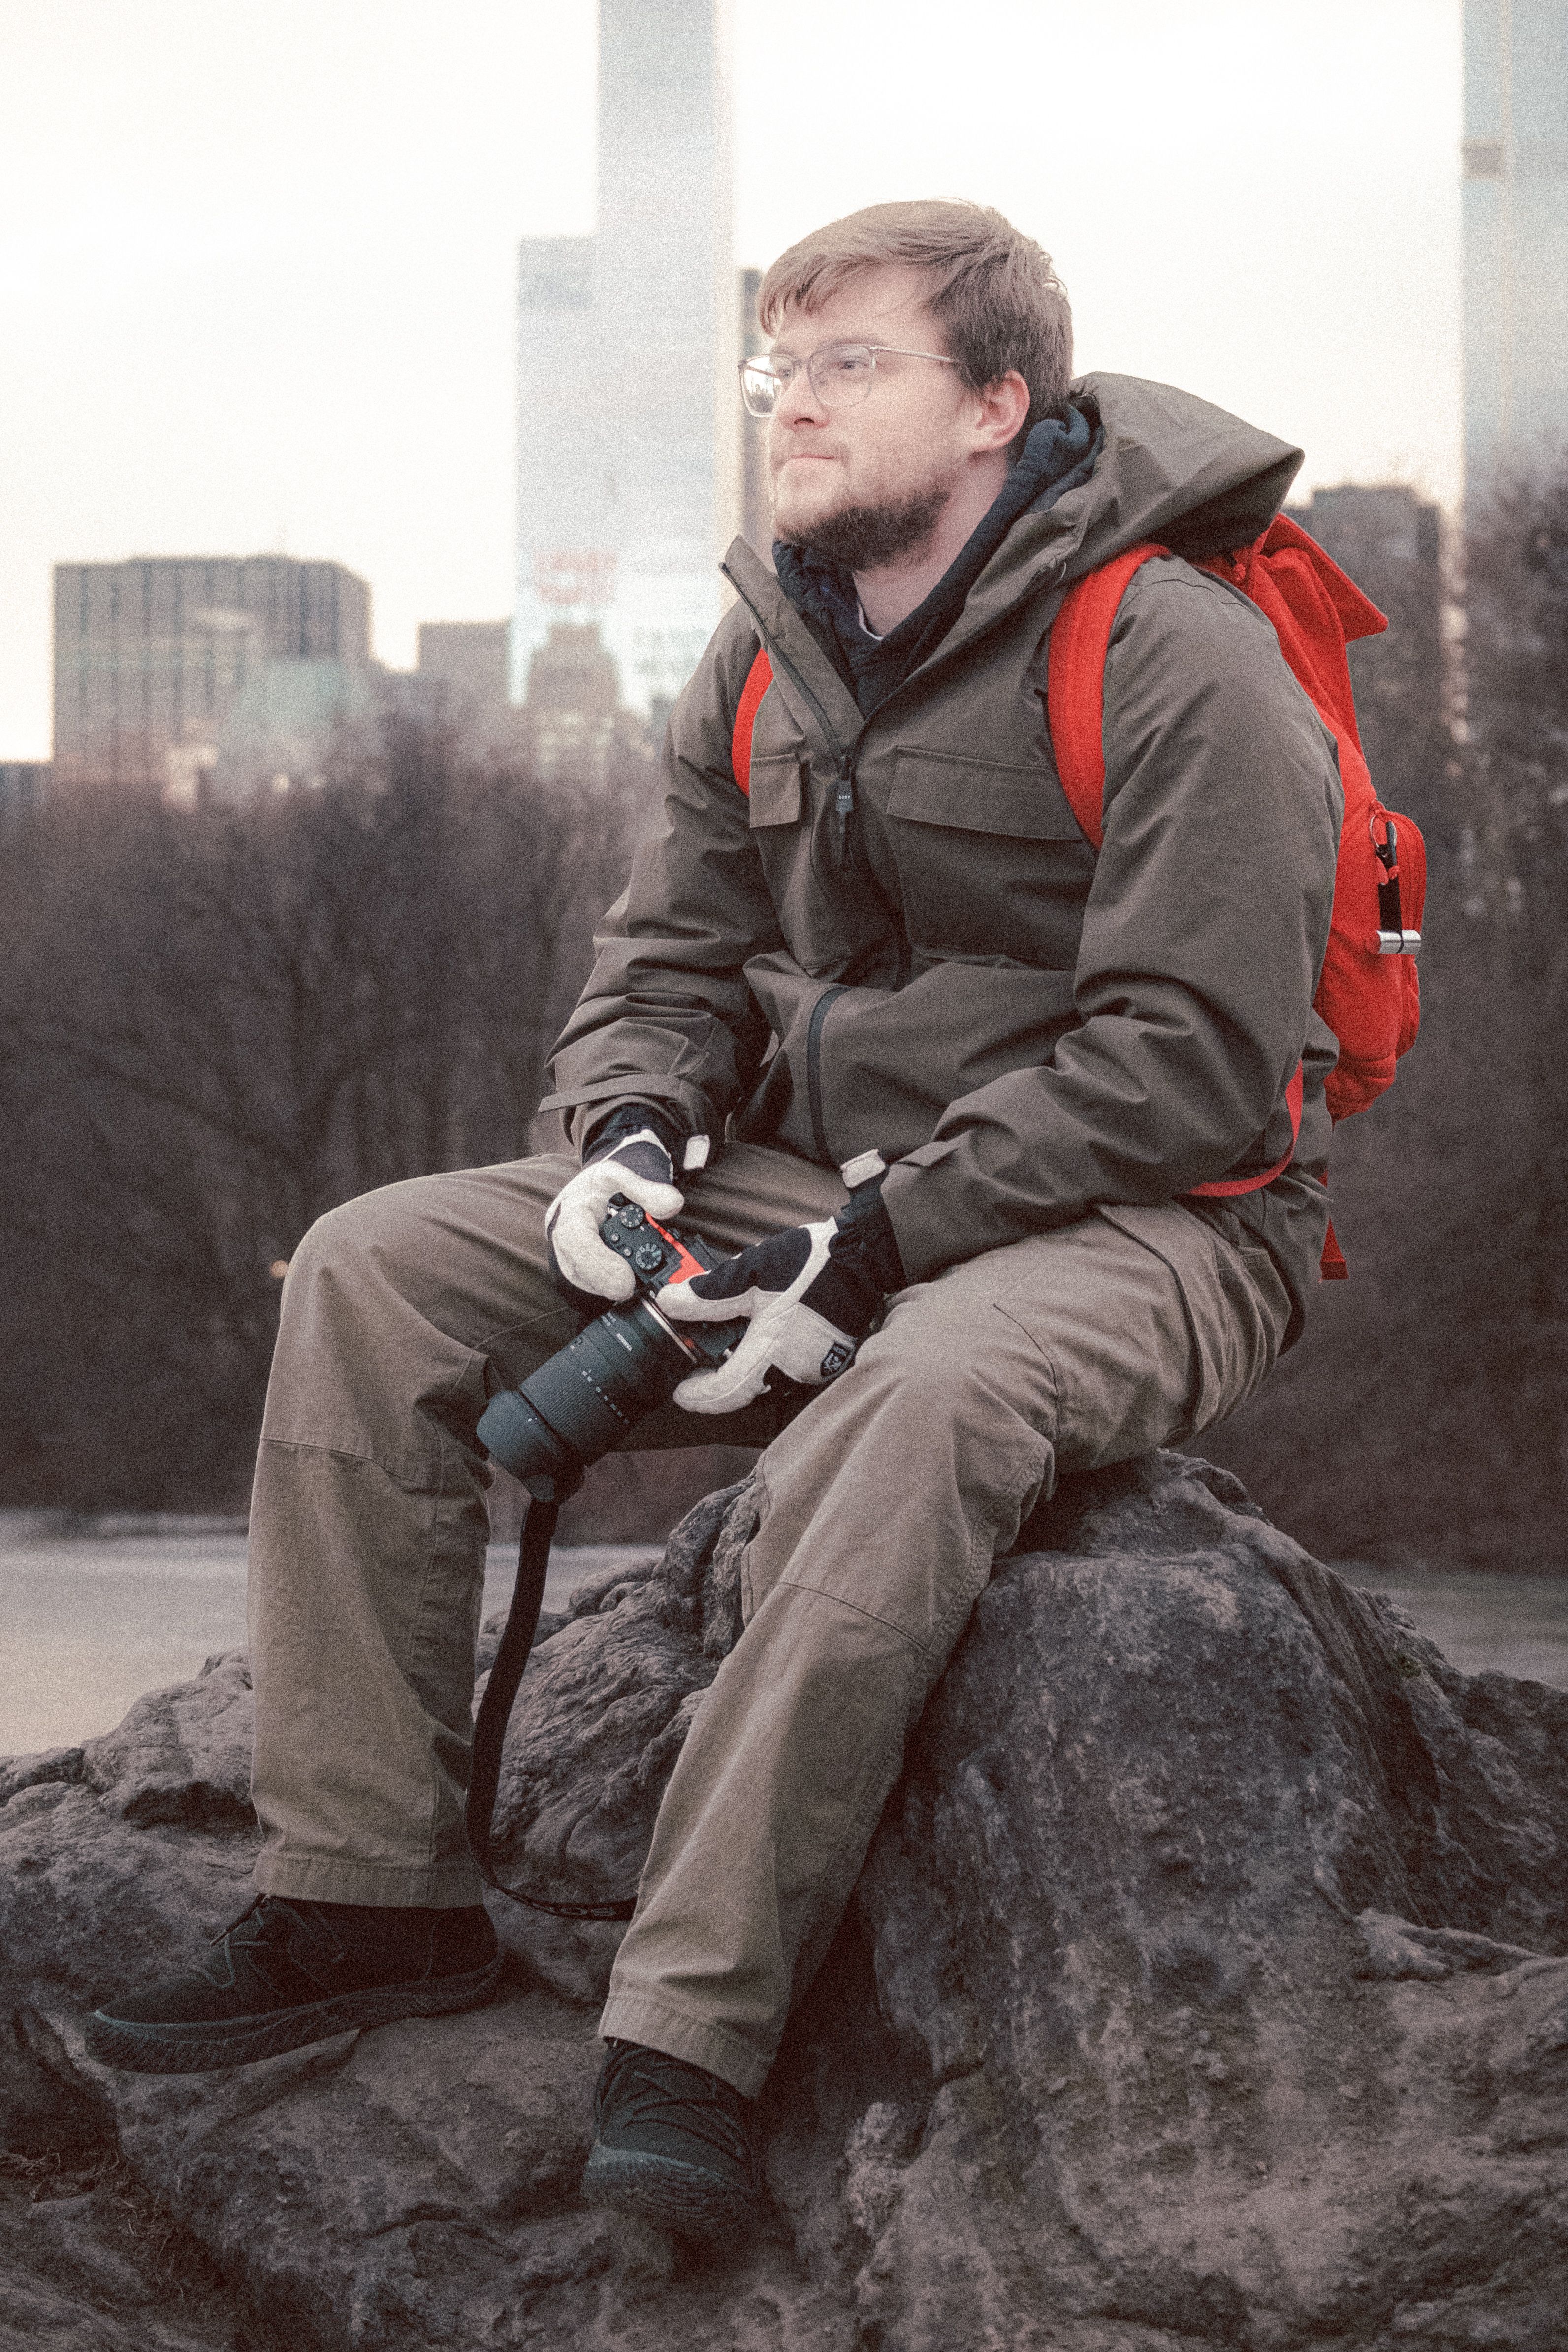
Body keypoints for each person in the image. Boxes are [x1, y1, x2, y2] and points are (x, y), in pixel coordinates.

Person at [86, 201, 1342, 2241]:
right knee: (374, 1268)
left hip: (1152, 1213)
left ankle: (687, 2033)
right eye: (776, 368)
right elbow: (665, 954)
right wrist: (631, 1137)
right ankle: (368, 1897)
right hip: (806, 1179)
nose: (791, 407)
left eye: (850, 365)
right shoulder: (769, 645)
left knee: (915, 1403)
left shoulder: (1172, 646)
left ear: (996, 403)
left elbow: (1193, 1065)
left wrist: (878, 1246)